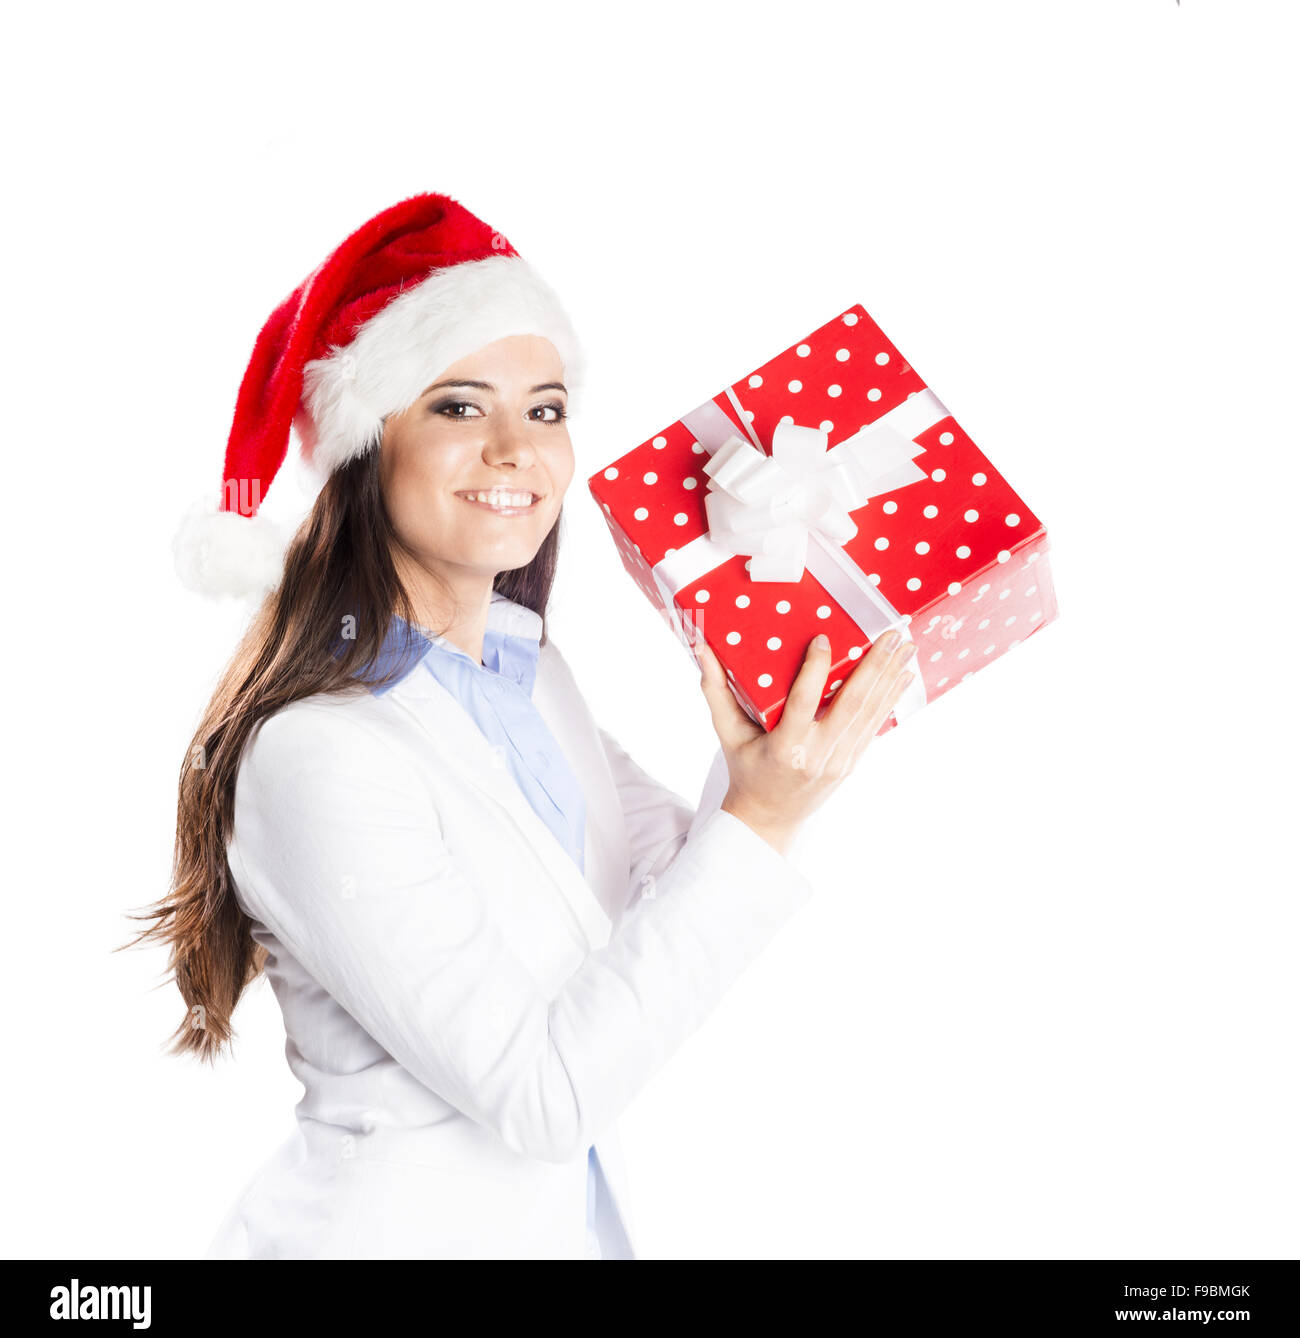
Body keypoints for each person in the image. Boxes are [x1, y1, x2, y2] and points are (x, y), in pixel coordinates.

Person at [126, 191, 918, 1259]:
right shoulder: (315, 751)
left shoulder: (529, 672)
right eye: (458, 406)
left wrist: (775, 720)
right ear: (368, 446)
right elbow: (542, 1094)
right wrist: (766, 817)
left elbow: (668, 888)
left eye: (545, 409)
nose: (517, 449)